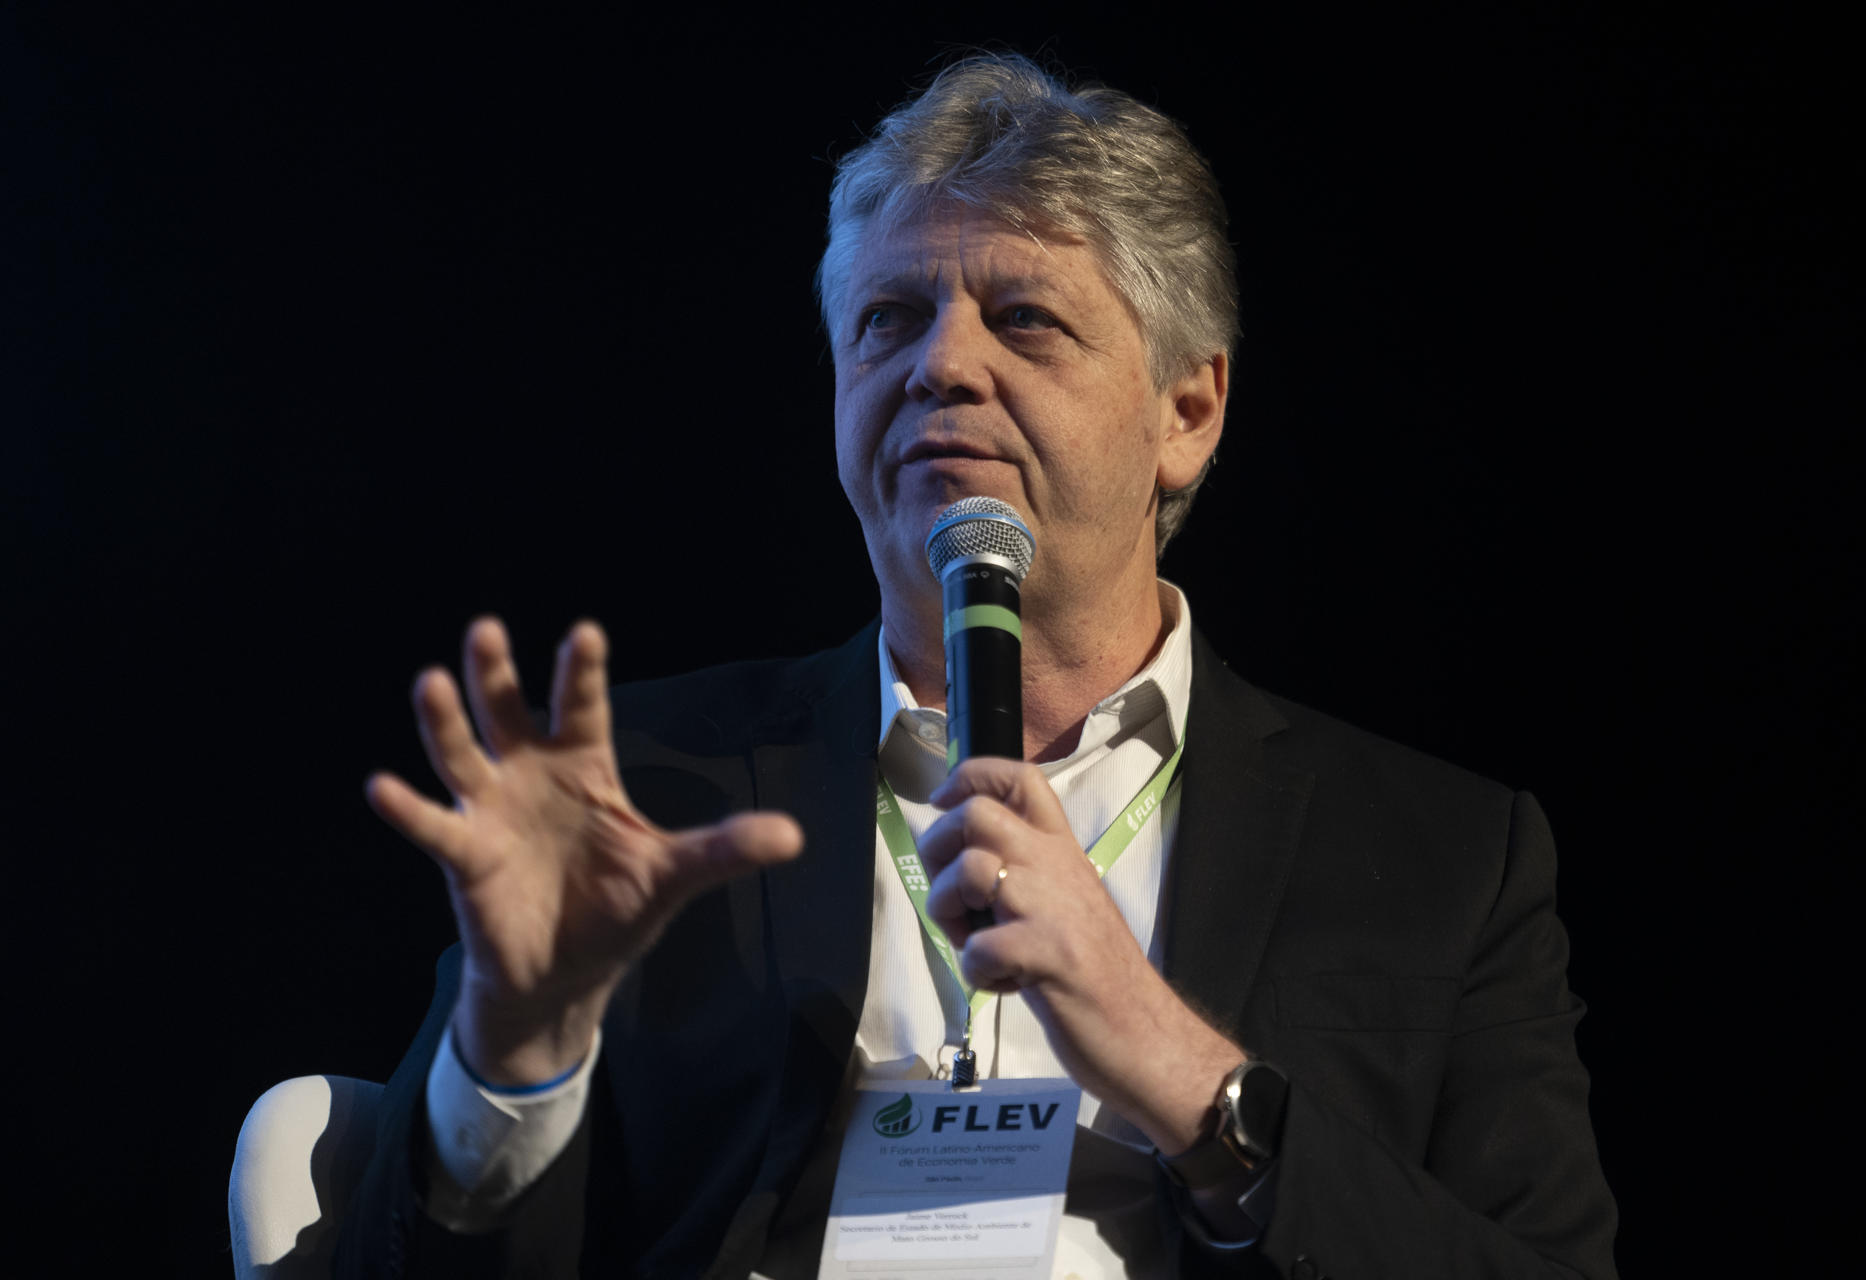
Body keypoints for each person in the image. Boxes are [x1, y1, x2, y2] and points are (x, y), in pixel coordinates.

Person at [330, 53, 1616, 1278]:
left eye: (1025, 318)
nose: (941, 363)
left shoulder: (1445, 859)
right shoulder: (646, 792)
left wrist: (1175, 1063)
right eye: (888, 318)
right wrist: (517, 1054)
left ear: (1189, 411)